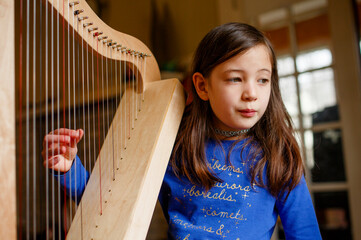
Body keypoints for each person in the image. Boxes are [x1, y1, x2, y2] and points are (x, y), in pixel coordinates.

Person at [42, 22, 322, 239]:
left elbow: (305, 234)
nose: (252, 93)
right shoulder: (172, 147)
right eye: (235, 79)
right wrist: (69, 169)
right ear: (202, 86)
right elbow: (107, 201)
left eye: (263, 80)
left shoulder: (278, 154)